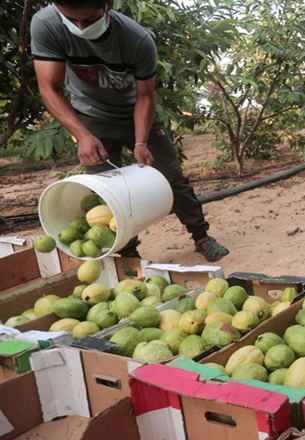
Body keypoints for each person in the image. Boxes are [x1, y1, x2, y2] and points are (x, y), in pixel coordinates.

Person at [30, 0, 229, 262]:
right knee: (107, 191)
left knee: (171, 178)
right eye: (71, 20)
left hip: (135, 113)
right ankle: (128, 252)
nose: (79, 27)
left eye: (89, 21)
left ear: (109, 5)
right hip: (90, 119)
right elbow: (49, 88)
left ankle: (201, 236)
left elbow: (145, 97)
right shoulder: (47, 25)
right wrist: (83, 136)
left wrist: (140, 142)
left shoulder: (136, 39)